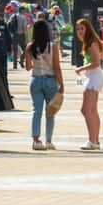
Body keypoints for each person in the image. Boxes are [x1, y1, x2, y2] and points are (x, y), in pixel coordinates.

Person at [26, 20, 64, 151]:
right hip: (50, 81)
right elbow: (57, 67)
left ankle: (36, 140)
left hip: (35, 79)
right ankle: (49, 140)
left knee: (36, 111)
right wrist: (61, 83)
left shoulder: (30, 46)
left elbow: (27, 67)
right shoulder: (53, 47)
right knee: (50, 112)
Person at [74, 19, 103, 150]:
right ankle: (95, 139)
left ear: (88, 29)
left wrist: (80, 69)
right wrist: (101, 55)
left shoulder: (91, 43)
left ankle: (92, 140)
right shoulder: (91, 41)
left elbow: (95, 63)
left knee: (86, 110)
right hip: (93, 76)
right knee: (92, 110)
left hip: (94, 77)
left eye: (82, 28)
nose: (80, 31)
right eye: (78, 29)